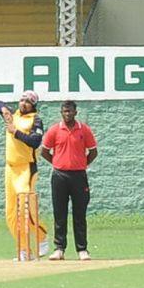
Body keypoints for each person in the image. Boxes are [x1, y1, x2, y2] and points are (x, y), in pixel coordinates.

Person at [40, 100, 98, 262]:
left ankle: (82, 249)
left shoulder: (84, 130)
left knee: (80, 213)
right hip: (59, 176)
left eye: (70, 111)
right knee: (60, 213)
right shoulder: (54, 130)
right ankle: (59, 249)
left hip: (79, 176)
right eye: (65, 111)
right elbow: (44, 151)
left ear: (75, 112)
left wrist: (81, 164)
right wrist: (58, 162)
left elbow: (93, 152)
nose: (67, 114)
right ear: (61, 113)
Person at [0, 92, 47, 260]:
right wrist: (3, 109)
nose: (24, 104)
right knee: (11, 214)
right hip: (10, 169)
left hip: (26, 169)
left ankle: (42, 238)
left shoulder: (35, 120)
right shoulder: (13, 115)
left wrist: (15, 132)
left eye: (28, 102)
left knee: (25, 208)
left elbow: (35, 141)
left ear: (33, 105)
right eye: (22, 100)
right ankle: (24, 250)